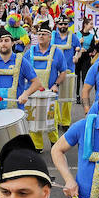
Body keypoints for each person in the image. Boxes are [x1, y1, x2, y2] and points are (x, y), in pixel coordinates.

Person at [0, 27, 43, 193]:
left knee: (17, 150)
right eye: (0, 41)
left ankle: (15, 182)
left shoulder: (21, 61)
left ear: (12, 43)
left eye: (6, 40)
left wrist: (26, 93)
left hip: (15, 114)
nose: (3, 43)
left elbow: (36, 83)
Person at [25, 21, 67, 150]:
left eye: (44, 34)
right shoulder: (30, 52)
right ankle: (37, 146)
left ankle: (55, 144)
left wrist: (56, 85)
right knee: (33, 121)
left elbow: (63, 72)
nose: (41, 36)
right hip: (32, 94)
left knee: (51, 121)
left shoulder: (57, 52)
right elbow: (22, 70)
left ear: (50, 37)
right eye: (39, 34)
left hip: (49, 93)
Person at [50, 15, 79, 131]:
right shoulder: (52, 36)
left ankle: (65, 121)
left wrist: (77, 56)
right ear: (57, 25)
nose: (63, 26)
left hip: (68, 70)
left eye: (65, 24)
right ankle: (55, 120)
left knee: (67, 98)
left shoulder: (73, 37)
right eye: (61, 24)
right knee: (54, 97)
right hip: (53, 71)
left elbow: (78, 48)